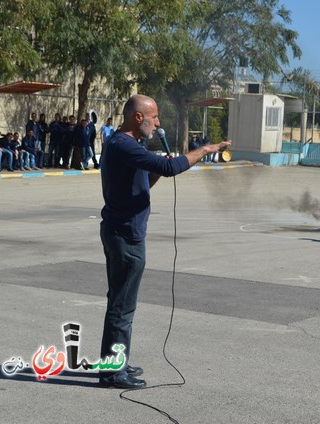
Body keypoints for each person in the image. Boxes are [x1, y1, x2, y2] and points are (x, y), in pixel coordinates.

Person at [99, 94, 230, 389]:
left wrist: (158, 169)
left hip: (124, 231)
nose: (158, 123)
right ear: (137, 118)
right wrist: (205, 150)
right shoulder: (124, 145)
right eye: (154, 117)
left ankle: (117, 362)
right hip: (125, 235)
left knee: (123, 304)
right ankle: (111, 372)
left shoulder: (126, 146)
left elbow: (145, 182)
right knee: (121, 306)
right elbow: (172, 168)